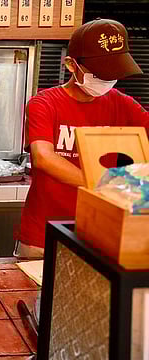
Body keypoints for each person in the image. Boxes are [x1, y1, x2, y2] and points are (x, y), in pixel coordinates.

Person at [17, 18, 149, 258]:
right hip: (42, 236)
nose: (107, 81)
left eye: (113, 73)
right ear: (71, 65)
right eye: (100, 74)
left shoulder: (122, 104)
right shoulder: (44, 103)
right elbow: (43, 157)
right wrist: (105, 183)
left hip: (97, 235)